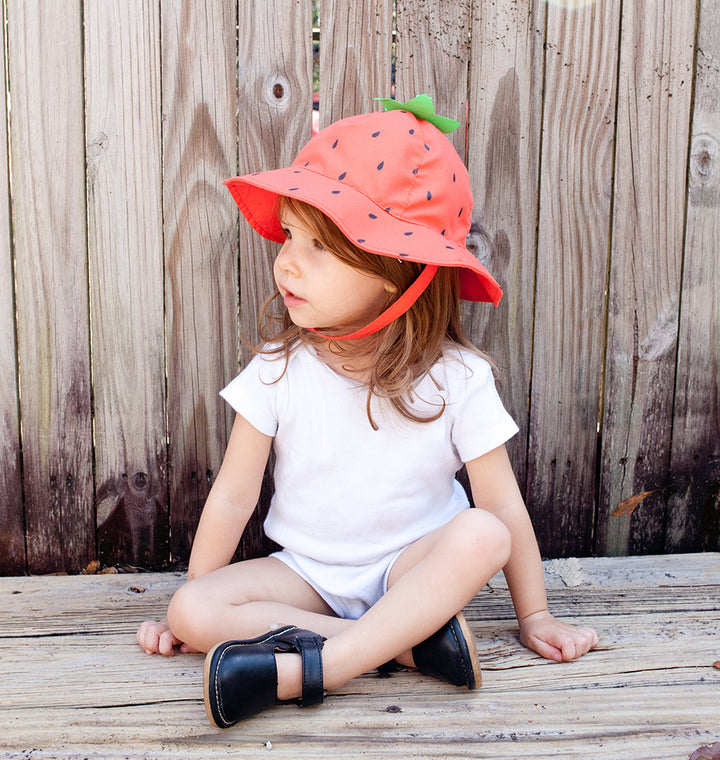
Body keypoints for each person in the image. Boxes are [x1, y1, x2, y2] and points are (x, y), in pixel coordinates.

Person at [136, 95, 599, 728]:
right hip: (304, 576)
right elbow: (233, 496)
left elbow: (502, 506)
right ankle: (402, 645)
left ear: (393, 269)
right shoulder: (279, 368)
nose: (285, 261)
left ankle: (318, 667)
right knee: (194, 611)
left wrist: (535, 615)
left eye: (319, 247)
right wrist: (182, 607)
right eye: (290, 236)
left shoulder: (458, 379)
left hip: (412, 570)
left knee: (485, 532)